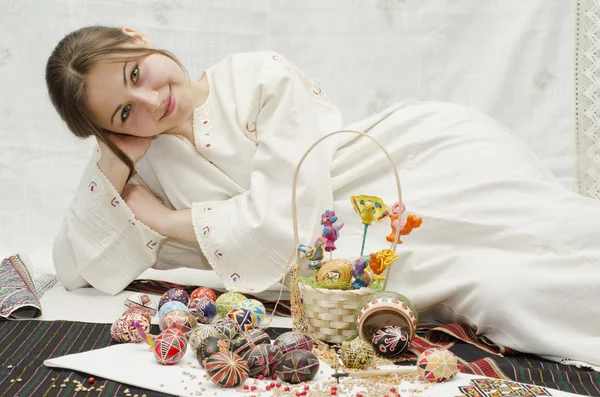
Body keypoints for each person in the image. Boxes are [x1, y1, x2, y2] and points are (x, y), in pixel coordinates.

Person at [46, 26, 600, 367]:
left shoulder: (258, 76)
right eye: (124, 112)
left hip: (417, 163)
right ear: (112, 131)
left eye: (137, 72)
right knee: (500, 289)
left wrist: (167, 222)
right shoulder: (148, 157)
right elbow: (76, 267)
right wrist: (112, 160)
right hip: (357, 249)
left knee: (554, 230)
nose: (150, 99)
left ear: (138, 38)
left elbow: (286, 224)